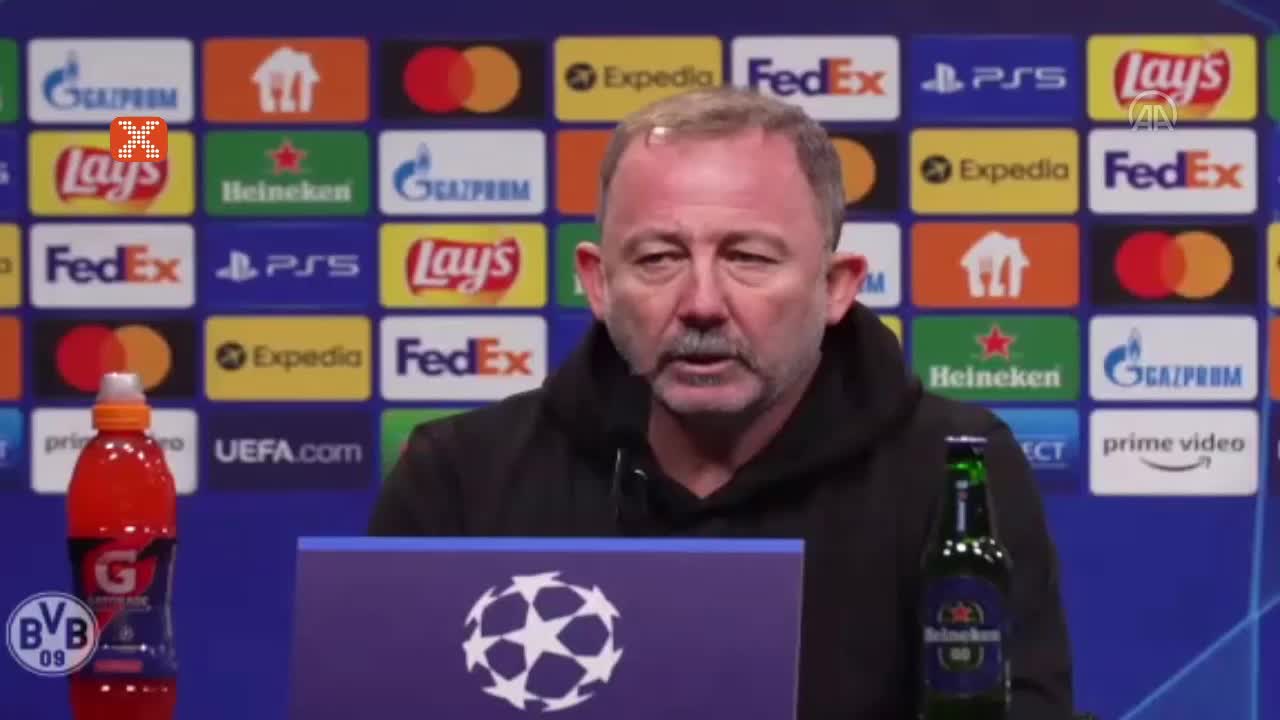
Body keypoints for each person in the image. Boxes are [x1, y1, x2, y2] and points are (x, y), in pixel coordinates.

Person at [368, 85, 1074, 719]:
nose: (701, 303)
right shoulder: (459, 476)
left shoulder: (954, 470)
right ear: (599, 283)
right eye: (658, 259)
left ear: (835, 286)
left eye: (748, 258)